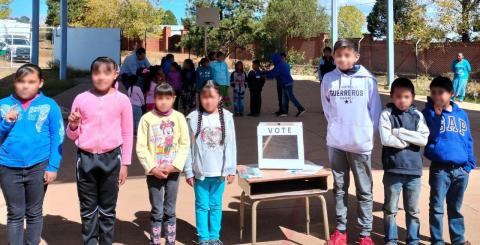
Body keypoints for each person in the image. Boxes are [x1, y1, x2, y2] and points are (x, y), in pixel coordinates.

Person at [320, 39, 382, 245]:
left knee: (364, 190)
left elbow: (375, 112)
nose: (342, 59)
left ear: (356, 57)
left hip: (360, 144)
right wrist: (338, 128)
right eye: (338, 55)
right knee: (339, 188)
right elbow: (327, 109)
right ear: (334, 57)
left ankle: (365, 234)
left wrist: (365, 136)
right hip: (336, 143)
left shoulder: (368, 80)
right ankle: (340, 230)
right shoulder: (328, 79)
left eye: (347, 55)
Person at [66, 57, 133, 245]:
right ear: (91, 75)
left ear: (115, 74)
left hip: (112, 159)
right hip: (85, 159)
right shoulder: (81, 99)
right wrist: (72, 125)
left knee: (107, 209)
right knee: (87, 209)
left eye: (106, 72)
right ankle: (90, 242)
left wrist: (125, 164)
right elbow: (72, 136)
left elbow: (127, 133)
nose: (101, 77)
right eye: (96, 73)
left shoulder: (123, 101)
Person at [0, 64, 64, 245]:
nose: (25, 86)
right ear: (15, 82)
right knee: (15, 213)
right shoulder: (3, 105)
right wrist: (6, 122)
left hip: (38, 166)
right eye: (21, 81)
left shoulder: (49, 105)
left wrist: (53, 166)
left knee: (34, 212)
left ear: (40, 83)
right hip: (7, 167)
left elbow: (57, 135)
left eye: (31, 82)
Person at [422, 76, 476, 245]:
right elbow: (430, 135)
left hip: (461, 170)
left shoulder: (462, 114)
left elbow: (467, 139)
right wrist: (437, 115)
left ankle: (458, 240)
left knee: (455, 208)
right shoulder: (428, 113)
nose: (437, 96)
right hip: (440, 169)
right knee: (437, 208)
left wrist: (469, 163)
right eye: (433, 92)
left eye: (441, 92)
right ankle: (437, 240)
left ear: (451, 94)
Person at [136, 83, 190, 245]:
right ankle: (155, 240)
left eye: (168, 98)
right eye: (160, 98)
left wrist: (175, 166)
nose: (163, 102)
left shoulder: (179, 118)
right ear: (154, 98)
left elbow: (184, 144)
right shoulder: (147, 119)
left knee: (170, 209)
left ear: (174, 99)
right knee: (157, 209)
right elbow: (141, 147)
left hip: (173, 172)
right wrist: (153, 168)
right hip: (154, 173)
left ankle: (170, 240)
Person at [184, 81, 237, 245]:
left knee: (215, 206)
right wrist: (188, 171)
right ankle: (203, 238)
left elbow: (231, 144)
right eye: (204, 97)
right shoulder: (193, 118)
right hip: (201, 173)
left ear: (219, 98)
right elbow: (187, 147)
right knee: (201, 206)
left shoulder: (227, 117)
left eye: (212, 97)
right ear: (199, 98)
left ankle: (214, 236)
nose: (208, 101)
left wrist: (231, 169)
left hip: (219, 173)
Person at [379, 78, 429, 245]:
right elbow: (386, 139)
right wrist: (409, 141)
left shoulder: (417, 115)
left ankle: (413, 240)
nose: (402, 100)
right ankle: (391, 239)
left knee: (413, 211)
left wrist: (399, 132)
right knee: (390, 209)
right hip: (393, 171)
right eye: (398, 96)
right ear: (392, 96)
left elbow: (423, 139)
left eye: (406, 96)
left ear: (412, 97)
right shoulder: (386, 114)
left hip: (414, 173)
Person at [265, 53, 306, 117]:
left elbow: (274, 74)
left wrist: (266, 75)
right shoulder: (280, 64)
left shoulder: (281, 65)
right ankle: (284, 112)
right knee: (284, 98)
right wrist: (266, 73)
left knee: (290, 97)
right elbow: (273, 72)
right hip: (285, 83)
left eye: (272, 60)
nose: (272, 61)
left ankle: (301, 108)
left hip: (286, 83)